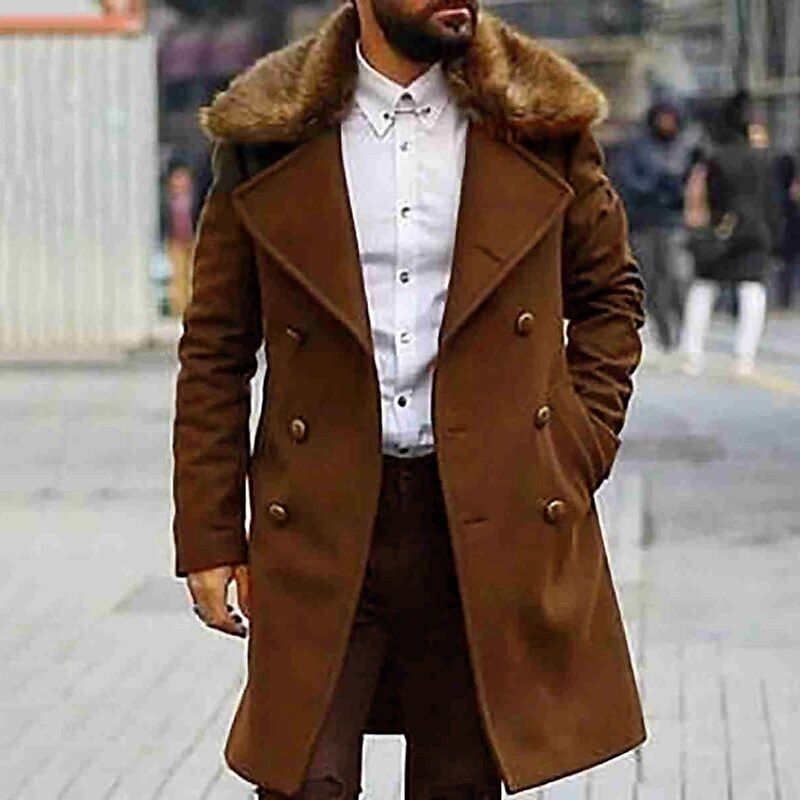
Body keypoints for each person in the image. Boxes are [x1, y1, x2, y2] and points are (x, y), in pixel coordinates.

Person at [172, 1, 646, 797]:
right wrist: (209, 534)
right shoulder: (267, 129)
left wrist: (573, 444)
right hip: (319, 516)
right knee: (303, 781)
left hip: (479, 518)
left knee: (457, 783)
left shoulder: (539, 118)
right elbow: (216, 345)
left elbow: (610, 297)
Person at [680, 92, 778, 376]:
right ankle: (744, 357)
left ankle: (692, 353)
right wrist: (774, 232)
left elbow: (703, 196)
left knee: (703, 287)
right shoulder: (764, 158)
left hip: (721, 228)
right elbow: (773, 200)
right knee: (752, 290)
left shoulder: (714, 158)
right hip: (756, 230)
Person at [617, 101, 693, 353]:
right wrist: (655, 188)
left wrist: (677, 191)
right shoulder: (638, 147)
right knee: (650, 278)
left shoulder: (684, 146)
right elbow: (626, 179)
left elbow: (693, 180)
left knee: (676, 275)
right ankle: (664, 332)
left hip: (673, 221)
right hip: (644, 221)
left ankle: (684, 328)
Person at [775, 152, 800, 309]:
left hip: (784, 232)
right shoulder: (792, 191)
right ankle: (786, 298)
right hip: (792, 230)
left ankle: (784, 298)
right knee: (790, 265)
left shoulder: (777, 190)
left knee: (785, 266)